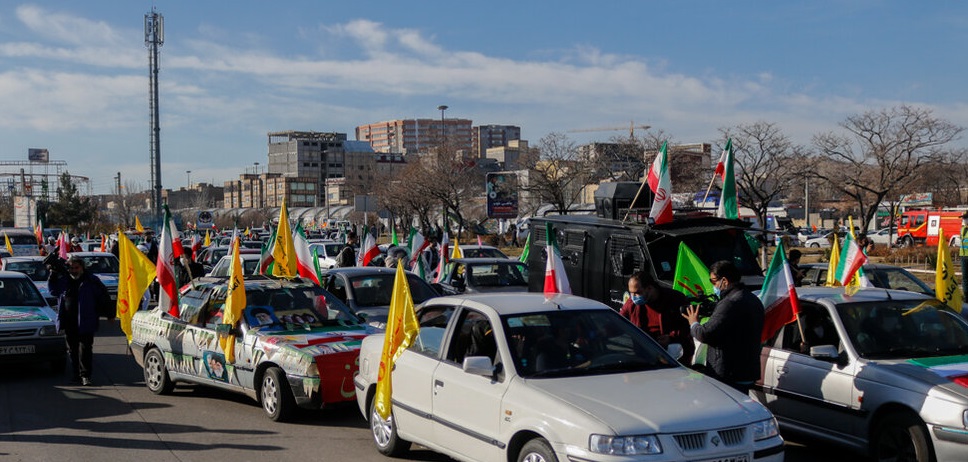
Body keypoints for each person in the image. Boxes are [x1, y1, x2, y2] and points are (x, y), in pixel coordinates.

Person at [683, 260, 764, 394]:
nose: (713, 286)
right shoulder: (752, 298)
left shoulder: (730, 303)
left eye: (713, 282)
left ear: (724, 281)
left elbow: (705, 334)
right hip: (747, 369)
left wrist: (694, 322)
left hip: (729, 371)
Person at [49, 255, 111, 386]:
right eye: (71, 268)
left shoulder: (91, 280)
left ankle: (85, 376)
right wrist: (52, 275)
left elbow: (103, 297)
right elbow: (53, 291)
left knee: (85, 349)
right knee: (72, 350)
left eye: (76, 268)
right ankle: (76, 375)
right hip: (69, 321)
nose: (73, 270)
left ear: (82, 267)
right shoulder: (65, 280)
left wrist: (110, 314)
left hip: (86, 321)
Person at [620, 271, 694, 363]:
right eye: (631, 293)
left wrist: (671, 337)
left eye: (637, 293)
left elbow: (689, 325)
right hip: (646, 356)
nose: (633, 297)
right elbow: (618, 322)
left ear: (650, 288)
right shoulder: (631, 304)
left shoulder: (675, 299)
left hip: (675, 357)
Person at [960, 212, 968, 301]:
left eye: (965, 218)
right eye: (963, 218)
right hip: (963, 256)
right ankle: (966, 297)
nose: (964, 220)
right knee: (965, 278)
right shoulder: (962, 229)